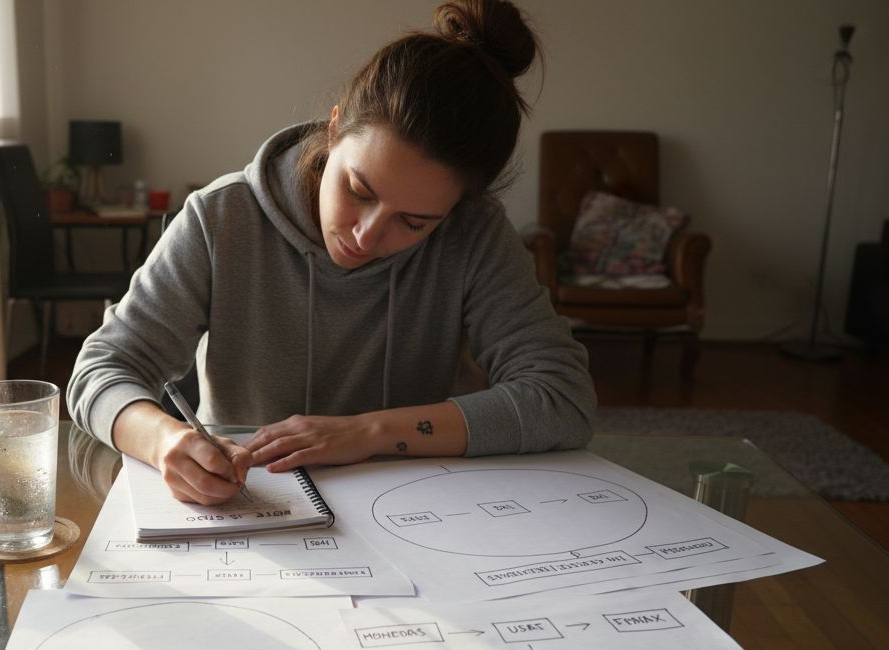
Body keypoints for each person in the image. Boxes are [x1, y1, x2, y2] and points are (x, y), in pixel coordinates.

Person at [67, 0, 595, 506]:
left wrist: (369, 432)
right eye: (360, 190)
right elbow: (101, 369)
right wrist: (165, 441)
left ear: (456, 209)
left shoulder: (473, 235)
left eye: (414, 223)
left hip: (414, 508)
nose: (366, 236)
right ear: (336, 127)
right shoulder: (220, 218)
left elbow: (562, 397)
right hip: (249, 505)